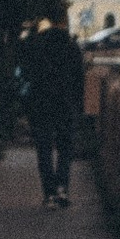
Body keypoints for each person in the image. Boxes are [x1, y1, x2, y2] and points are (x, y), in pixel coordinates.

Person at [21, 17, 85, 207]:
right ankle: (62, 189)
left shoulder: (35, 45)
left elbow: (27, 74)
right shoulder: (71, 46)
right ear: (64, 22)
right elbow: (79, 79)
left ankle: (49, 194)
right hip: (65, 103)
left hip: (40, 103)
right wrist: (78, 105)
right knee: (65, 148)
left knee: (44, 149)